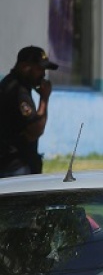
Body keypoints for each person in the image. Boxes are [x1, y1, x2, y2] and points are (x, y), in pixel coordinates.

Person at [0, 46, 58, 177]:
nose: (43, 74)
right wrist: (44, 99)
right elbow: (35, 129)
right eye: (39, 69)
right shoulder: (18, 91)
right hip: (14, 168)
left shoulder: (14, 85)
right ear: (24, 67)